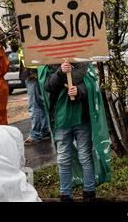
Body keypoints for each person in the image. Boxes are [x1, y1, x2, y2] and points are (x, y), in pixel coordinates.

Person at [38, 62, 111, 202]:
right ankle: (65, 194)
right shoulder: (47, 64)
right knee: (64, 158)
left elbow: (91, 85)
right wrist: (60, 72)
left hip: (82, 118)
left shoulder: (83, 63)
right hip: (61, 120)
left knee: (85, 156)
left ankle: (89, 193)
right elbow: (47, 86)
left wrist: (79, 90)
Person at [17, 48, 50, 144]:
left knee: (34, 104)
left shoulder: (25, 34)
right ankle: (44, 130)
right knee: (40, 103)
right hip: (34, 70)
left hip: (33, 70)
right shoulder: (21, 35)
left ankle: (36, 133)